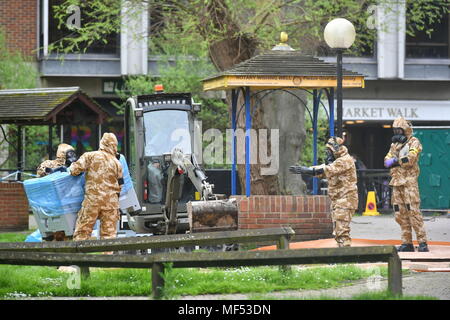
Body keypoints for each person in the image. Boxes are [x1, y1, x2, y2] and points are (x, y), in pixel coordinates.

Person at [289, 137, 358, 247]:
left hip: (346, 200)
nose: (328, 154)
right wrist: (306, 170)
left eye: (329, 151)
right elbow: (323, 170)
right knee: (338, 230)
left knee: (342, 231)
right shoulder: (336, 161)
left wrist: (306, 170)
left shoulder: (345, 160)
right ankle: (342, 253)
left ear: (336, 149)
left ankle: (346, 254)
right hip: (338, 200)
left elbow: (327, 169)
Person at [67, 132, 124, 241]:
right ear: (114, 145)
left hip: (93, 200)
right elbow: (121, 185)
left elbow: (74, 170)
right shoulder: (117, 163)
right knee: (109, 236)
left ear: (102, 143)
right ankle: (108, 257)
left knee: (82, 233)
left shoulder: (90, 156)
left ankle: (78, 256)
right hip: (111, 203)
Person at [384, 117, 429, 252]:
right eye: (395, 130)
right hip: (396, 183)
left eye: (399, 130)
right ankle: (407, 243)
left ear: (406, 130)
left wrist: (395, 161)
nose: (397, 132)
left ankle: (422, 243)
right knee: (400, 214)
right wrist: (395, 161)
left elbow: (410, 159)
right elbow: (386, 161)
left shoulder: (414, 142)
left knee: (413, 213)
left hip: (409, 184)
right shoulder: (394, 145)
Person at [36, 143, 78, 241]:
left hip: (51, 206)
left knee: (57, 234)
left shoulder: (72, 167)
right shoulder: (50, 165)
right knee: (63, 234)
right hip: (60, 206)